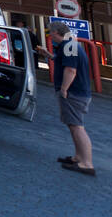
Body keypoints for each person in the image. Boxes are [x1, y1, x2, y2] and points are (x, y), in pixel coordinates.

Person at [39, 22, 94, 176]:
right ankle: (78, 157)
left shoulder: (68, 46)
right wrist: (49, 55)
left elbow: (71, 69)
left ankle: (86, 163)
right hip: (78, 92)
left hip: (74, 93)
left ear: (57, 32)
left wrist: (64, 89)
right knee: (73, 125)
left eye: (50, 32)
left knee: (77, 127)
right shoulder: (70, 45)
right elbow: (64, 62)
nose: (49, 36)